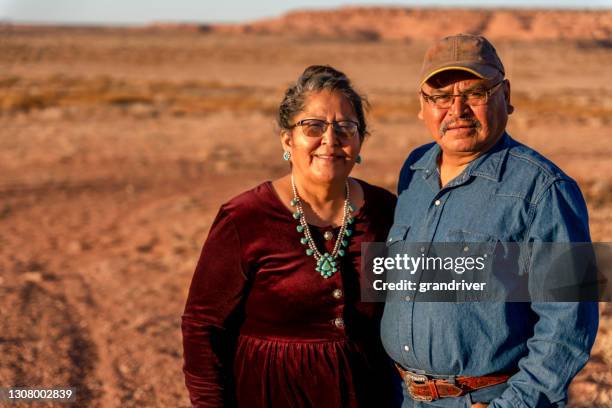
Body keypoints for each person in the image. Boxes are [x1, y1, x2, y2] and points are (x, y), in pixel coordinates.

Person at [380, 34, 599, 407]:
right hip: (403, 397)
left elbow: (568, 325)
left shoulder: (547, 189)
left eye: (475, 93)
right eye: (441, 96)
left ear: (506, 95)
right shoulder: (413, 173)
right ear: (423, 106)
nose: (457, 109)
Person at [182, 65, 397, 407]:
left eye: (346, 127)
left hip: (368, 394)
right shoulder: (245, 217)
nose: (330, 139)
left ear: (360, 141)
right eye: (313, 126)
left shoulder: (384, 210)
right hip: (268, 393)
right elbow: (203, 327)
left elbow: (427, 295)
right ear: (287, 139)